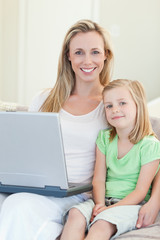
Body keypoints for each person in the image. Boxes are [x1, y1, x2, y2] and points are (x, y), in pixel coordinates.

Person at [0, 19, 159, 240]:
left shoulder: (112, 105)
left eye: (95, 52)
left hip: (77, 196)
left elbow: (150, 150)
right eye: (79, 52)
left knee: (18, 205)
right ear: (68, 56)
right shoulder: (44, 99)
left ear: (106, 55)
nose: (87, 60)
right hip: (38, 188)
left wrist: (154, 201)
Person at [60, 79, 160, 240]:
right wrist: (99, 204)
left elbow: (141, 192)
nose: (115, 110)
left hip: (130, 205)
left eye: (122, 103)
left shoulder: (150, 145)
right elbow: (98, 179)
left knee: (101, 224)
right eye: (109, 106)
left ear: (138, 105)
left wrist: (108, 211)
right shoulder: (105, 138)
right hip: (102, 200)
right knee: (75, 214)